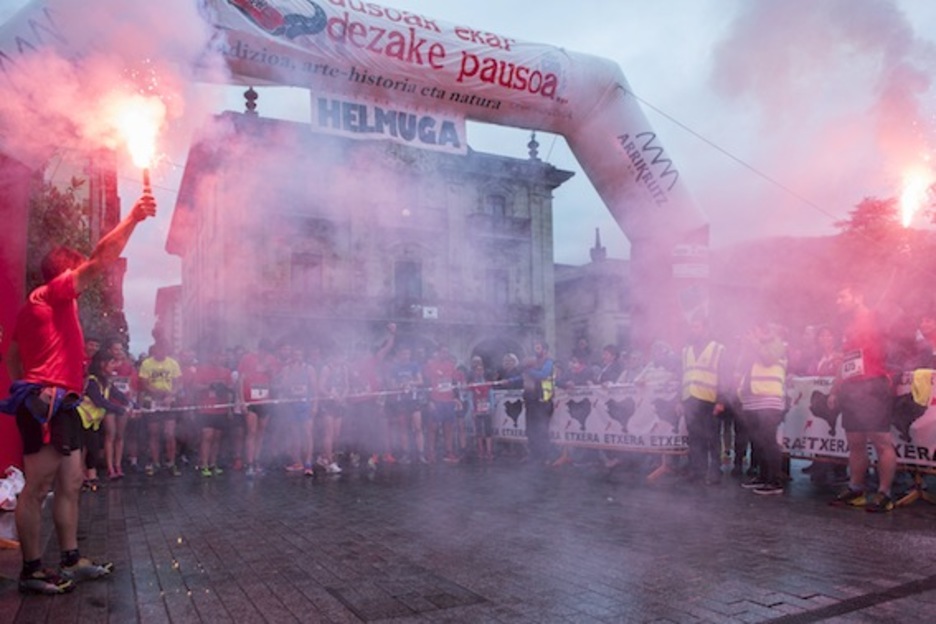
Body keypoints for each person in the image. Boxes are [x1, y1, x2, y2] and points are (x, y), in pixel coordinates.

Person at [1, 192, 155, 594]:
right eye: (78, 268)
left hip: (59, 402)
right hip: (49, 402)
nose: (87, 276)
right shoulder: (53, 293)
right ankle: (32, 570)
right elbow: (103, 257)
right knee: (35, 488)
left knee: (70, 483)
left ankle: (71, 560)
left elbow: (13, 358)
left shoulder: (33, 306)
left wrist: (27, 383)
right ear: (65, 272)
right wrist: (134, 218)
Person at [828, 284, 898, 512]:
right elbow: (845, 364)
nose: (838, 301)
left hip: (874, 384)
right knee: (855, 442)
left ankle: (884, 493)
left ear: (857, 295)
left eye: (842, 295)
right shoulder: (847, 327)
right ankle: (856, 487)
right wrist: (835, 390)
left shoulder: (875, 316)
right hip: (852, 388)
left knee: (881, 441)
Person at [677, 316, 731, 484]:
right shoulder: (686, 350)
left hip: (709, 400)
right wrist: (679, 400)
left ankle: (715, 471)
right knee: (694, 437)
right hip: (690, 399)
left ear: (706, 329)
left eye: (697, 326)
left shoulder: (718, 349)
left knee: (712, 437)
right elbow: (682, 376)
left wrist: (721, 400)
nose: (694, 330)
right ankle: (697, 470)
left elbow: (725, 376)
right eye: (692, 327)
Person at [736, 322, 788, 495]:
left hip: (769, 399)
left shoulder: (779, 344)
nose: (751, 334)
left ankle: (775, 481)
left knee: (769, 440)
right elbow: (742, 368)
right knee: (758, 442)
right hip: (751, 400)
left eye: (754, 330)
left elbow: (768, 359)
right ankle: (763, 476)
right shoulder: (752, 347)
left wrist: (755, 343)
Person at [76, 351, 129, 491]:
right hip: (81, 418)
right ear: (102, 364)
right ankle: (81, 478)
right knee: (82, 449)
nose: (115, 366)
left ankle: (90, 477)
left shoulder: (105, 381)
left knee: (93, 448)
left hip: (92, 421)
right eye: (112, 363)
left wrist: (131, 404)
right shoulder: (92, 380)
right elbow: (99, 401)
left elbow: (117, 394)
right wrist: (119, 409)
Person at [138, 340, 183, 476]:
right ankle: (155, 462)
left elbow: (178, 383)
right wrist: (156, 392)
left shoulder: (173, 363)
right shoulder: (147, 363)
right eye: (158, 350)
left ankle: (171, 462)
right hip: (153, 401)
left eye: (163, 350)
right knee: (154, 433)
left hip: (169, 402)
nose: (161, 352)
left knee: (170, 434)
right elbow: (144, 383)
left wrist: (171, 394)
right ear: (154, 350)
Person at [522, 340, 555, 465]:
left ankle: (545, 456)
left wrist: (529, 371)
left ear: (544, 350)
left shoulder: (549, 362)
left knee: (542, 430)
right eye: (535, 347)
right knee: (531, 429)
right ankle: (533, 454)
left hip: (543, 401)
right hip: (531, 400)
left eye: (538, 347)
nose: (536, 350)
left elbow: (543, 374)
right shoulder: (532, 363)